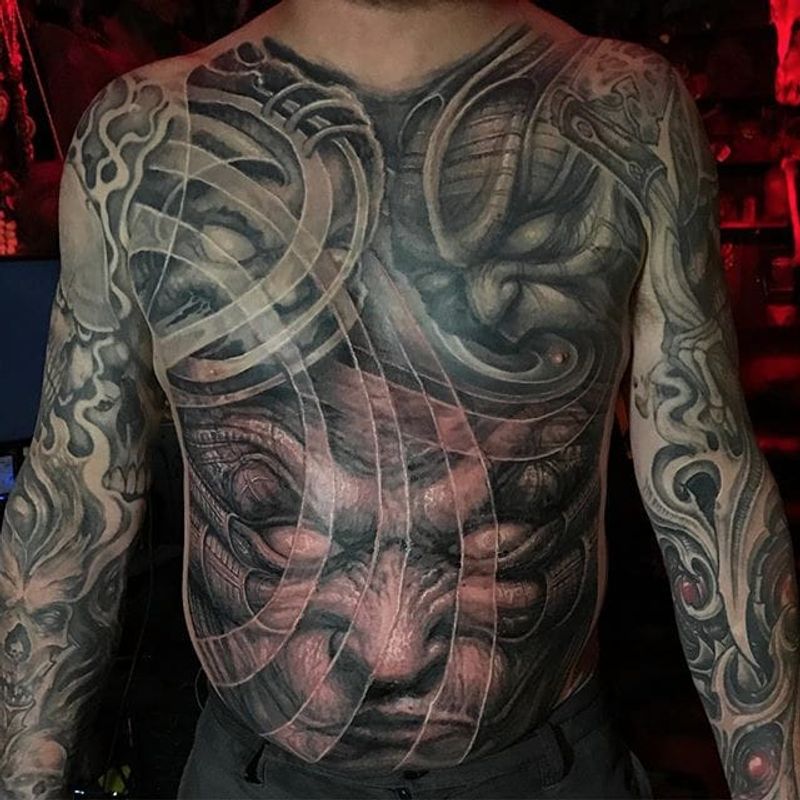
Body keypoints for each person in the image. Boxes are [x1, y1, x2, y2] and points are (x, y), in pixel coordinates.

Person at [0, 0, 798, 797]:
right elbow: (76, 493)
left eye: (506, 532)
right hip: (257, 774)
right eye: (277, 523)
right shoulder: (143, 136)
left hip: (540, 769)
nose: (392, 654)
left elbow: (709, 483)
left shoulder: (626, 114)